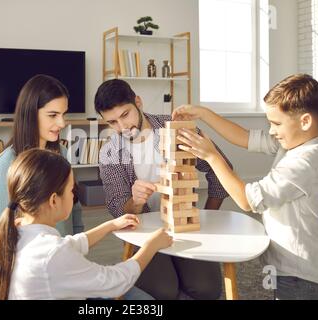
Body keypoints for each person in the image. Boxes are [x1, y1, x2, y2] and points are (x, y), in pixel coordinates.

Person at [172, 74, 318, 300]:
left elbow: (247, 200)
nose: (271, 131)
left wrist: (212, 156)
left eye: (276, 123)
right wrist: (203, 113)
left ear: (305, 121)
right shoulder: (294, 143)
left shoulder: (304, 162)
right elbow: (245, 137)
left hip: (302, 274)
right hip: (292, 266)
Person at [94, 79, 233, 300]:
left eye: (125, 115)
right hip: (144, 232)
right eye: (112, 122)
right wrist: (135, 201)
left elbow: (220, 168)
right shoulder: (110, 152)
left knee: (208, 289)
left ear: (138, 102)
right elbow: (118, 209)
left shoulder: (176, 128)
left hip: (182, 225)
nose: (122, 127)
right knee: (163, 291)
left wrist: (207, 215)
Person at [0, 148, 173, 300]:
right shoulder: (53, 254)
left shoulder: (19, 228)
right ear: (54, 200)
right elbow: (116, 282)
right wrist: (151, 245)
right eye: (71, 190)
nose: (75, 196)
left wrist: (110, 225)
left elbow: (71, 244)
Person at [0, 74, 83, 257]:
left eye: (64, 114)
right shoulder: (6, 164)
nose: (62, 123)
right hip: (30, 271)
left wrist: (76, 252)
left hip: (64, 258)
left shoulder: (62, 153)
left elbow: (75, 209)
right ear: (30, 114)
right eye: (53, 115)